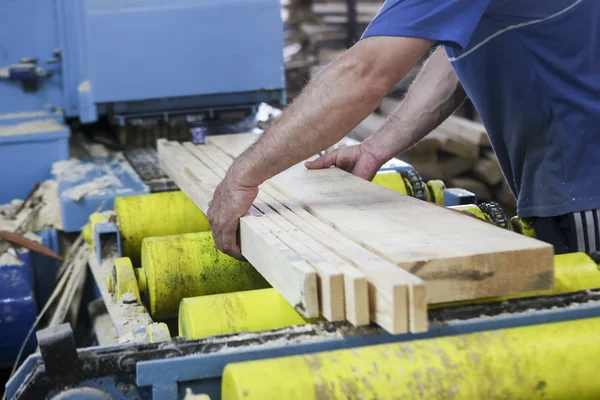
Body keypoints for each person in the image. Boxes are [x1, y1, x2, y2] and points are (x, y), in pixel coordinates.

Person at [207, 0, 600, 259]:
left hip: (586, 185)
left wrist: (243, 176)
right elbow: (456, 57)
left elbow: (363, 73)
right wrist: (377, 148)